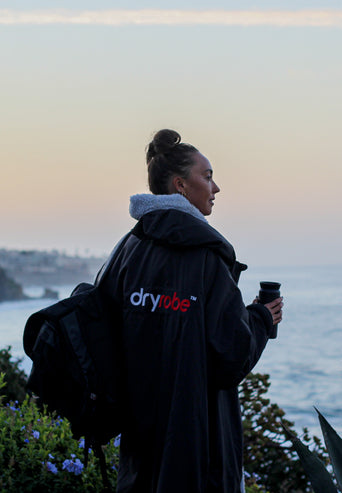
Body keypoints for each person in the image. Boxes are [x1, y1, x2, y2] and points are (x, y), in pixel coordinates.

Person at [97, 129, 283, 492]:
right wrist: (261, 318)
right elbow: (231, 355)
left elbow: (105, 336)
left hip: (140, 445)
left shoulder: (126, 252)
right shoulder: (207, 256)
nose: (216, 188)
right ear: (181, 185)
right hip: (200, 444)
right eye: (208, 176)